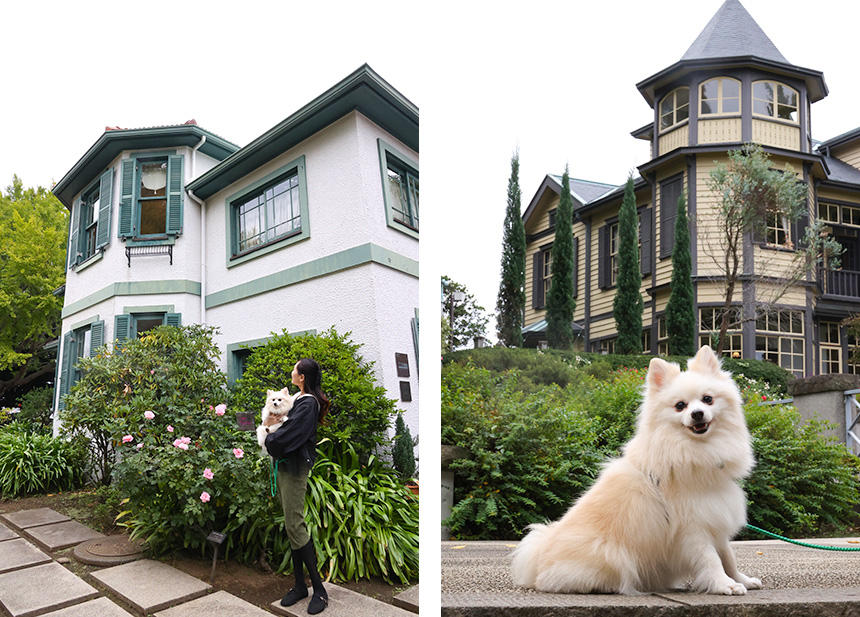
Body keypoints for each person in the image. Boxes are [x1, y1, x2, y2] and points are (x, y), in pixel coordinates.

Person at [263, 358, 330, 614]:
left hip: (294, 468)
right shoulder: (300, 399)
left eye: (295, 369)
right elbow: (284, 426)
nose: (291, 371)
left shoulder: (308, 402)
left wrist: (270, 438)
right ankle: (300, 585)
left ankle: (319, 590)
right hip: (286, 466)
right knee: (292, 526)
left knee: (295, 524)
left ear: (302, 377)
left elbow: (292, 433)